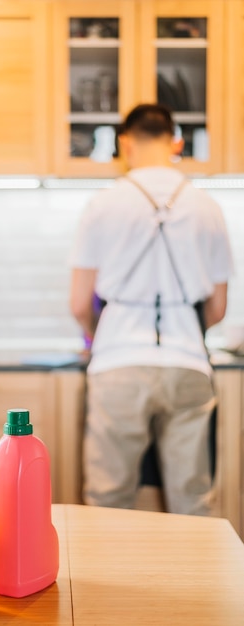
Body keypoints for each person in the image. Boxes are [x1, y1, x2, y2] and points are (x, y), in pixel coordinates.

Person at [69, 103, 234, 516]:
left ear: (125, 142)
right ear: (176, 141)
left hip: (118, 363)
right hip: (189, 365)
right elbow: (217, 308)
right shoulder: (207, 207)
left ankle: (108, 582)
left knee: (109, 500)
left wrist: (96, 338)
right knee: (192, 502)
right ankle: (195, 583)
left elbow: (78, 302)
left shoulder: (103, 204)